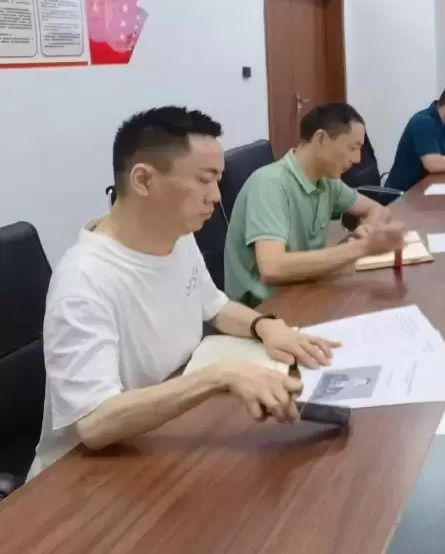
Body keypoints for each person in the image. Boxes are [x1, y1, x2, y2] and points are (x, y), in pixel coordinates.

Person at [29, 107, 341, 479]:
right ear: (144, 180)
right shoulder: (84, 281)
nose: (216, 196)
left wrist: (264, 326)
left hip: (159, 436)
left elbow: (214, 305)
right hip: (81, 475)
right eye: (204, 180)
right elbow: (95, 423)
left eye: (218, 180)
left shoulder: (176, 234)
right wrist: (217, 377)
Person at [225, 102, 406, 306]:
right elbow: (272, 267)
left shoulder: (327, 180)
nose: (357, 159)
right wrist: (364, 246)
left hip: (304, 288)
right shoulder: (270, 184)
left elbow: (377, 209)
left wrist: (370, 228)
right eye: (352, 148)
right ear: (321, 139)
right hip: (265, 307)